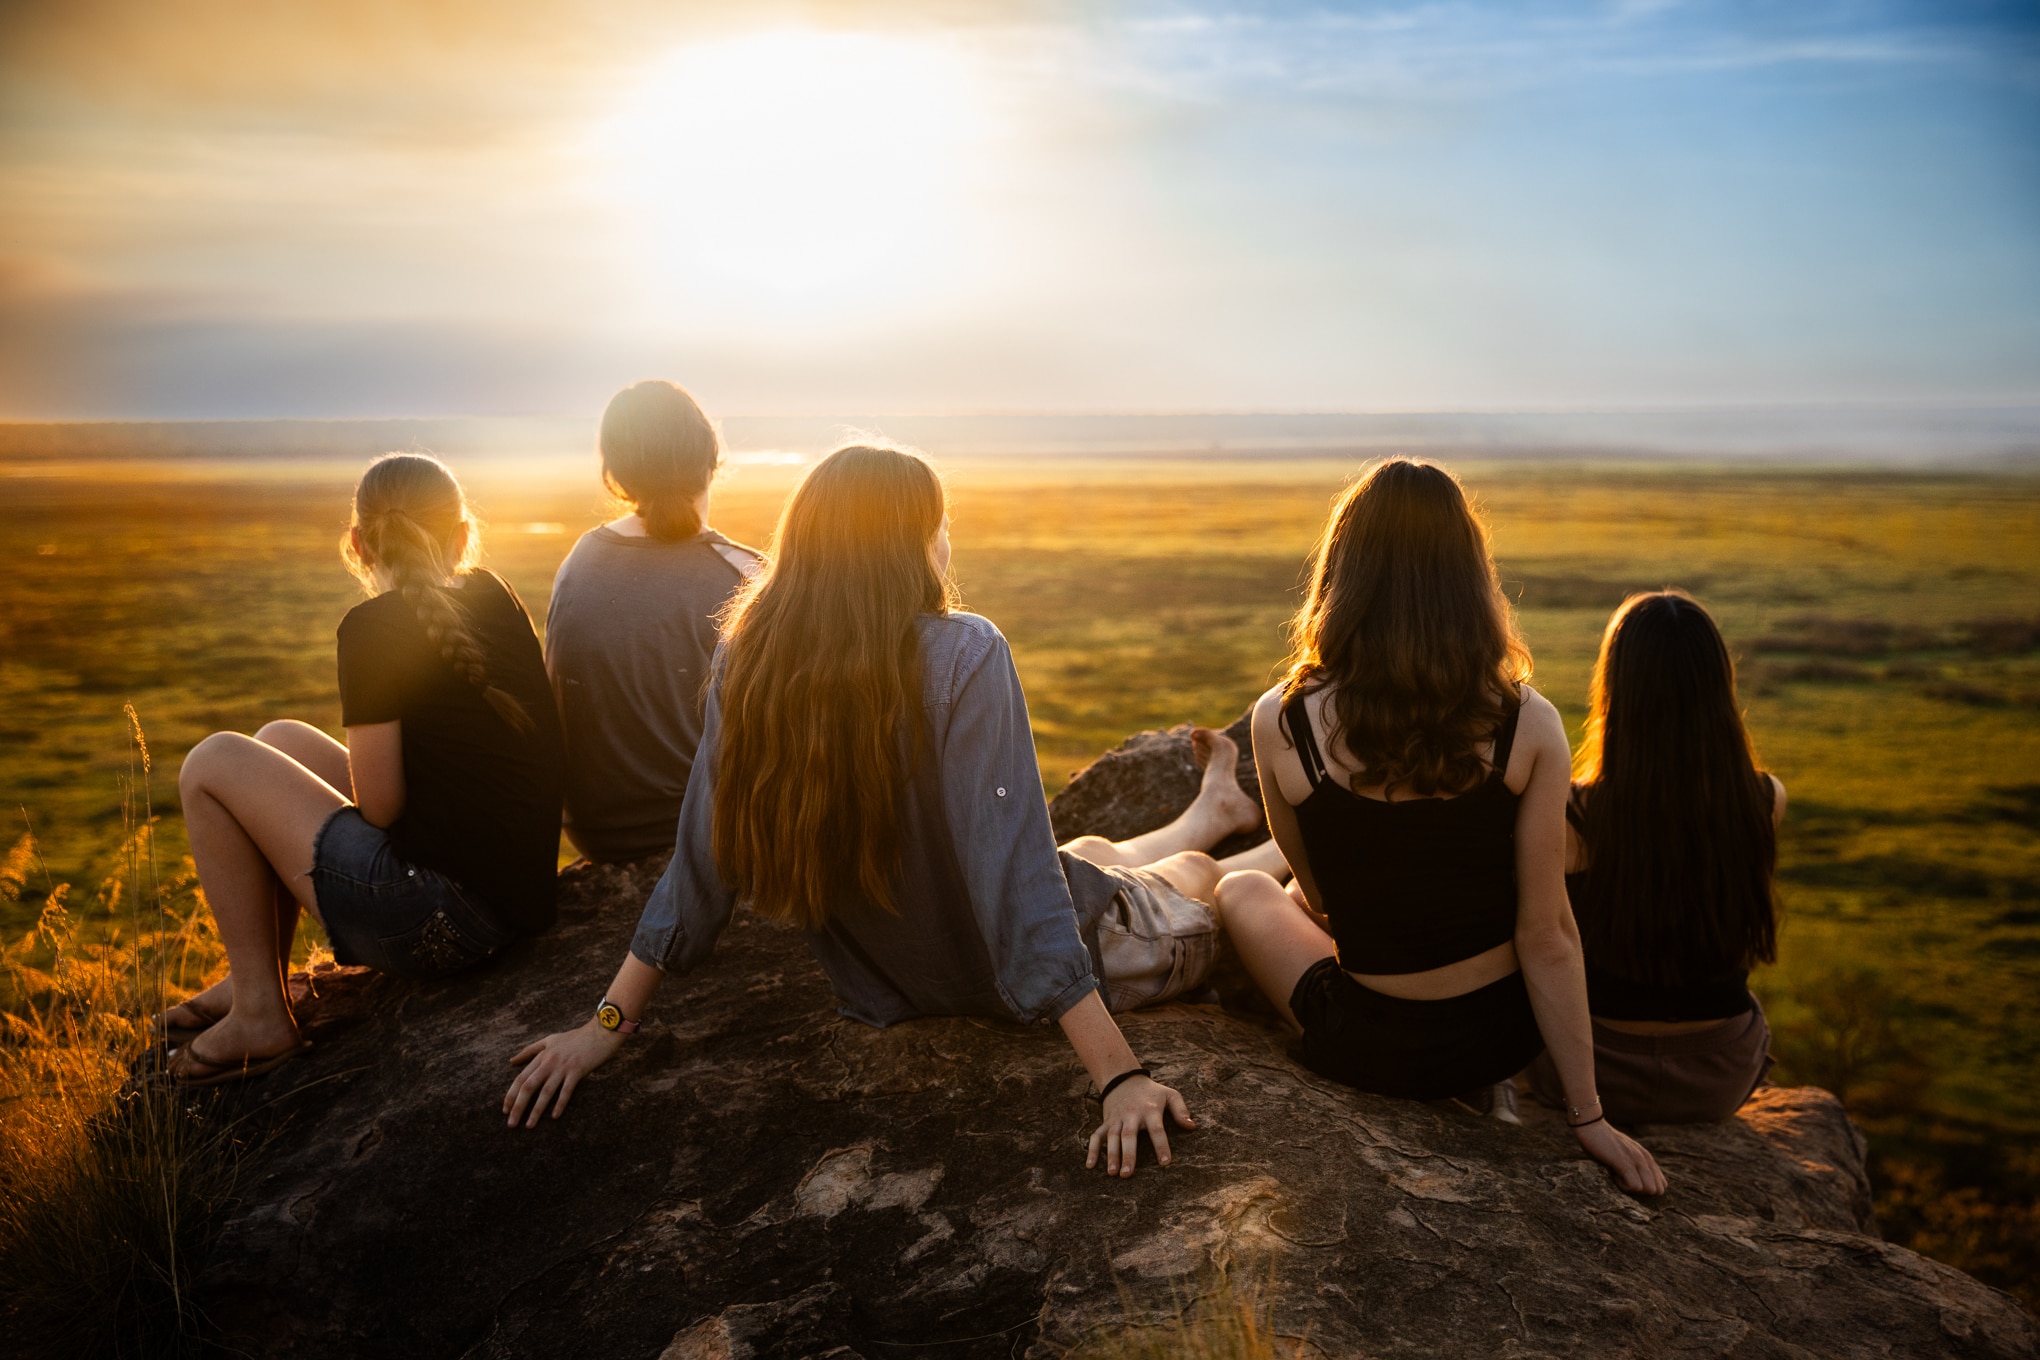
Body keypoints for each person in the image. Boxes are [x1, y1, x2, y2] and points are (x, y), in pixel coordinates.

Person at [501, 443, 1254, 1175]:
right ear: (908, 545)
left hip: (886, 988)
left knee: (1093, 849)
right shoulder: (967, 652)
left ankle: (1215, 809)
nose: (948, 543)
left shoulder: (749, 655)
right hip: (1053, 960)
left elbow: (700, 862)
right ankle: (1265, 849)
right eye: (940, 525)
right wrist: (1118, 1078)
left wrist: (606, 1026)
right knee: (1198, 880)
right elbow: (1016, 885)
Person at [1209, 459, 1666, 1195]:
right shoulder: (1529, 723)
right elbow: (1547, 933)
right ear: (1469, 578)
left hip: (1369, 1046)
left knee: (1243, 889)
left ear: (1343, 573)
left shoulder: (1281, 720)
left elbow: (1323, 901)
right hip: (1495, 1041)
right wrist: (1588, 1118)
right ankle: (1499, 1094)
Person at [159, 454, 566, 1084]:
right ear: (462, 536)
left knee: (212, 762)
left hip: (447, 922)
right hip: (515, 899)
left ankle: (262, 1014)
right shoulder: (495, 592)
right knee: (279, 739)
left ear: (358, 543)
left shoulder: (372, 628)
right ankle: (255, 979)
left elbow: (380, 808)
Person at [1525, 591, 1783, 1124]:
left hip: (1595, 1072)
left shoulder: (1573, 813)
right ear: (1719, 689)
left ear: (1616, 691)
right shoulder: (1764, 800)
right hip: (1719, 1074)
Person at [545, 381, 763, 862]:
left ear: (616, 473)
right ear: (710, 458)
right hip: (704, 832)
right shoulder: (745, 575)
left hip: (593, 830)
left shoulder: (580, 559)